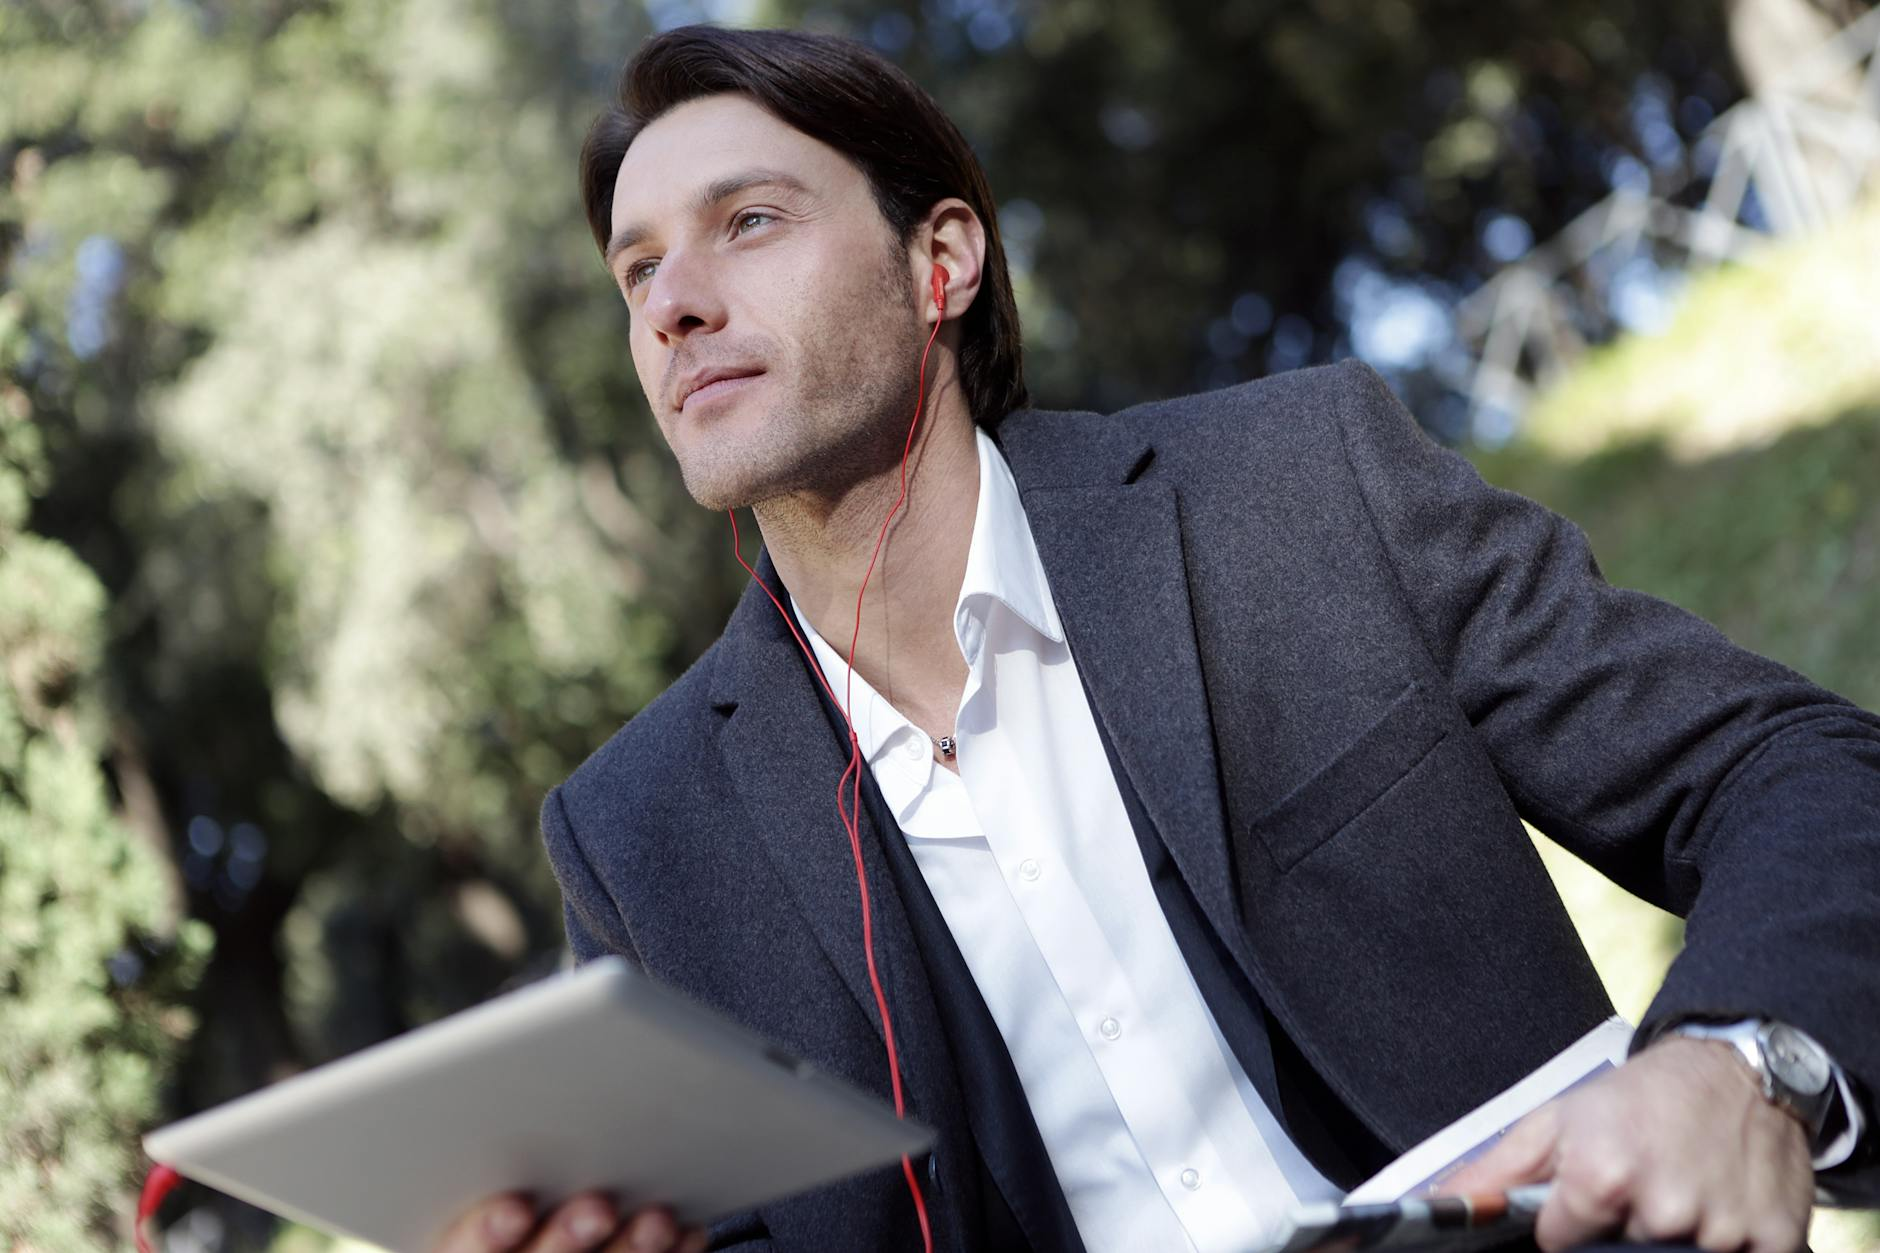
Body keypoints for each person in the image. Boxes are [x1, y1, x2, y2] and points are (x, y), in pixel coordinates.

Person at [431, 24, 1879, 1253]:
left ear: (941, 261)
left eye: (748, 223)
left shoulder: (1298, 491)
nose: (677, 305)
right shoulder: (638, 839)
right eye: (637, 272)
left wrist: (1746, 1064)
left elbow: (1799, 769)